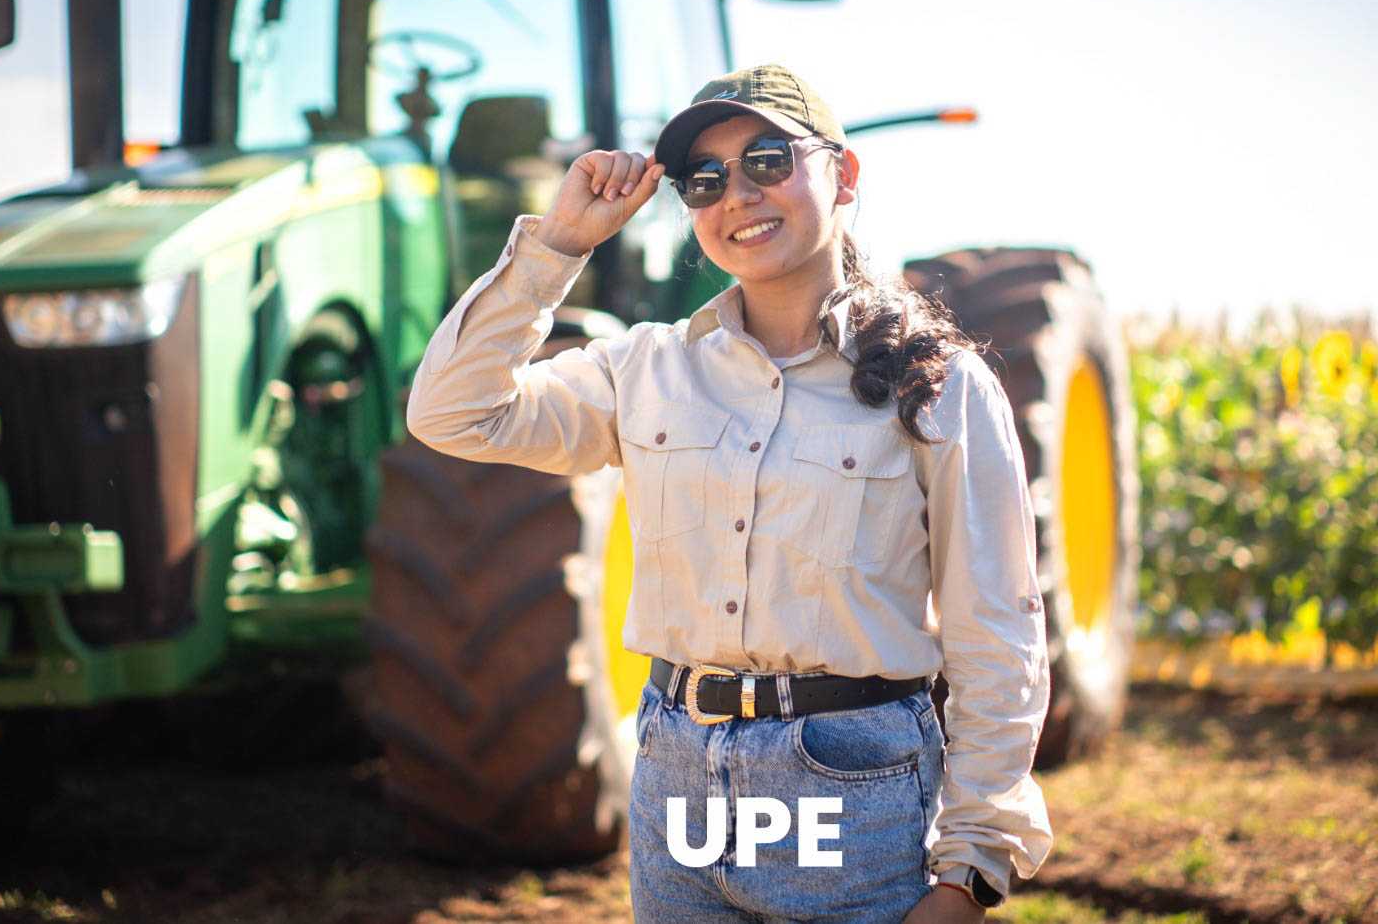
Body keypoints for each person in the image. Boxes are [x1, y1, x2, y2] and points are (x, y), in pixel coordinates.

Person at [407, 64, 1052, 923]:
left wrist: (970, 870)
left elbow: (996, 632)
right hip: (678, 773)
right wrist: (558, 244)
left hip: (849, 785)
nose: (737, 196)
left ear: (844, 175)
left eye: (767, 161)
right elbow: (454, 413)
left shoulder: (938, 384)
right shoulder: (643, 369)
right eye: (704, 180)